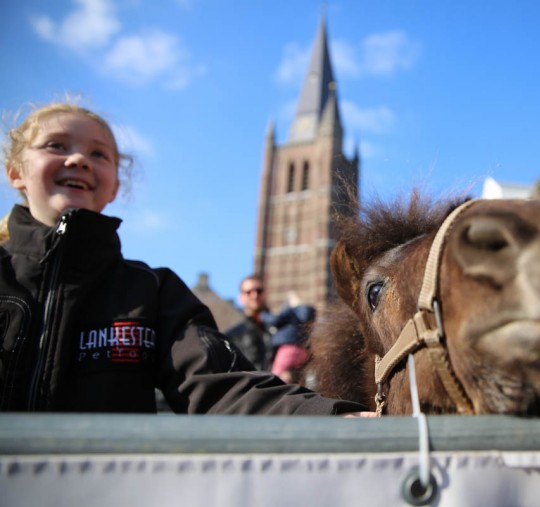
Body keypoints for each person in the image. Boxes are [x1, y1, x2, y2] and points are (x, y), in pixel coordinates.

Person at [0, 101, 372, 416]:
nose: (79, 158)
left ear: (115, 185)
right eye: (56, 145)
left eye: (98, 153)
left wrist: (331, 417)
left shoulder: (152, 293)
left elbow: (222, 387)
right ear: (15, 172)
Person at [224, 275, 273, 371]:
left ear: (265, 293)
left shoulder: (278, 328)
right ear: (241, 297)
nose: (254, 295)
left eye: (259, 291)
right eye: (248, 292)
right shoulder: (233, 335)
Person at [264, 298, 315, 384]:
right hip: (303, 351)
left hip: (288, 349)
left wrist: (263, 315)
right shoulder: (308, 314)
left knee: (275, 377)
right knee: (299, 379)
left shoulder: (291, 311)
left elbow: (274, 320)